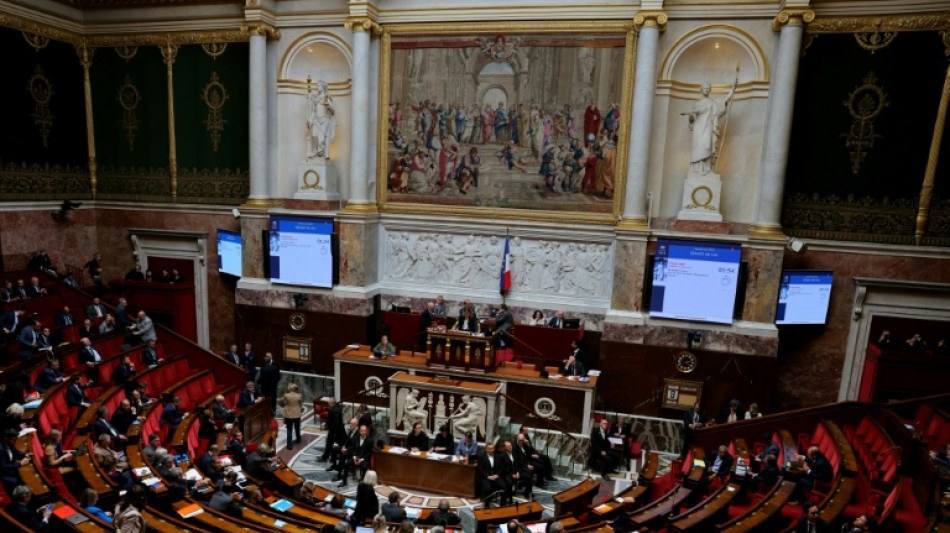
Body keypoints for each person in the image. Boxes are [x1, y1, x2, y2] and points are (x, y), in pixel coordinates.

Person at [686, 79, 736, 175]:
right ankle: (696, 169)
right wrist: (691, 117)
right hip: (698, 128)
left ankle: (708, 169)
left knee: (707, 146)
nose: (706, 89)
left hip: (708, 126)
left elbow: (725, 99)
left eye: (708, 88)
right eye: (704, 88)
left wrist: (733, 88)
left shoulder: (713, 102)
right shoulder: (697, 104)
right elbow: (692, 120)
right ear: (701, 90)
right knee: (697, 148)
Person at [279, 383, 303, 450]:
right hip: (297, 414)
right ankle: (298, 440)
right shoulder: (299, 395)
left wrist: (283, 405)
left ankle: (289, 446)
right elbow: (300, 404)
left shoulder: (286, 395)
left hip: (288, 414)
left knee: (289, 430)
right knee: (297, 428)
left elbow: (280, 401)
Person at [322, 398, 345, 463]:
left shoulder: (335, 411)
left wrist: (334, 432)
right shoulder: (336, 408)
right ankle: (326, 457)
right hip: (336, 431)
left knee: (333, 444)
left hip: (335, 432)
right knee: (330, 444)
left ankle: (328, 458)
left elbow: (336, 422)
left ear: (332, 403)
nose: (328, 404)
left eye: (329, 403)